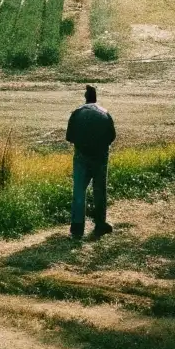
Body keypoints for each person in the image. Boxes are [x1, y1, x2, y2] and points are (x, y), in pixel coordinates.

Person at [66, 84, 116, 238]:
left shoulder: (77, 113)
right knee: (99, 190)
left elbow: (69, 137)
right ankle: (100, 224)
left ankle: (77, 228)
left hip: (81, 156)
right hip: (100, 156)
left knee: (79, 191)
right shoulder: (105, 113)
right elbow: (112, 136)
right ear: (96, 98)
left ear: (85, 98)